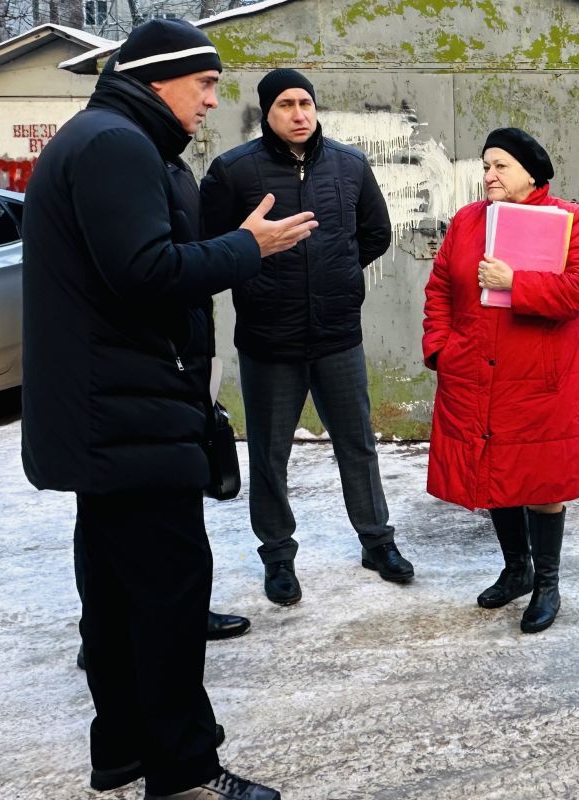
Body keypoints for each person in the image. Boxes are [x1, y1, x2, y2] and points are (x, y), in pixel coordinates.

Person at [22, 19, 316, 799]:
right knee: (168, 601)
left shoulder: (106, 138)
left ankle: (121, 749)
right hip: (126, 417)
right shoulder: (117, 145)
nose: (213, 102)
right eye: (206, 85)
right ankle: (186, 776)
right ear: (160, 80)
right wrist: (249, 247)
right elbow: (146, 271)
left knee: (117, 602)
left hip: (109, 416)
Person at [200, 69, 411, 606]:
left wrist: (337, 273)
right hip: (270, 340)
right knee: (270, 455)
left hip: (338, 334)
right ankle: (277, 557)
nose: (299, 114)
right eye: (286, 105)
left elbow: (376, 233)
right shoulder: (233, 172)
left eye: (306, 103)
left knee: (357, 444)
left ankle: (377, 541)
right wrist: (260, 272)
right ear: (266, 112)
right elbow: (211, 248)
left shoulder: (349, 165)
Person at [422, 128, 579, 633]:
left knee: (542, 483)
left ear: (530, 172)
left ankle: (547, 584)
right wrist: (440, 346)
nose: (489, 175)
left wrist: (515, 283)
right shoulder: (466, 221)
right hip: (475, 372)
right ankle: (516, 570)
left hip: (539, 380)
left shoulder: (570, 220)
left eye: (500, 165)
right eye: (485, 166)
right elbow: (439, 287)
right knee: (495, 473)